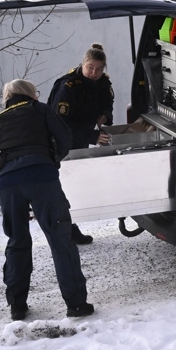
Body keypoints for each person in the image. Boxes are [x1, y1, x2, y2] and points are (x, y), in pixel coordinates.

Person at [0, 79, 95, 321]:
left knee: (17, 241)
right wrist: (51, 160)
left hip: (7, 183)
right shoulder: (40, 109)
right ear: (30, 94)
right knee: (60, 238)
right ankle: (76, 304)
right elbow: (65, 138)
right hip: (40, 176)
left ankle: (17, 306)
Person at [48, 43, 115, 245]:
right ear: (82, 64)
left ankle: (70, 228)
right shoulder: (68, 87)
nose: (94, 73)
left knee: (75, 187)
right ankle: (65, 231)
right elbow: (61, 125)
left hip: (80, 140)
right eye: (90, 68)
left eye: (99, 69)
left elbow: (108, 102)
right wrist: (92, 137)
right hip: (62, 144)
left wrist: (105, 115)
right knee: (65, 188)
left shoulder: (102, 82)